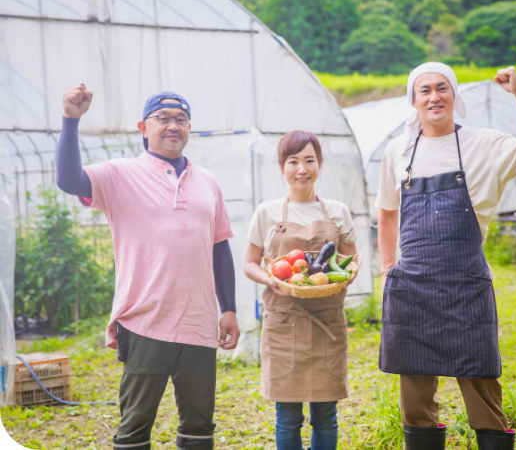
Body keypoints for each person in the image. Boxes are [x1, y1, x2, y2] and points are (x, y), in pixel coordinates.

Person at [376, 63, 516, 450]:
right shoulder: (398, 151)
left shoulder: (484, 144)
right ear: (413, 101)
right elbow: (387, 213)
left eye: (442, 88)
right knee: (415, 401)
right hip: (413, 291)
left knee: (483, 394)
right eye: (424, 90)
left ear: (454, 97)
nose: (434, 96)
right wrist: (388, 267)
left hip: (466, 289)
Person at [55, 83, 240, 450]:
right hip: (145, 320)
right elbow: (68, 180)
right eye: (163, 118)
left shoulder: (208, 182)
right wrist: (70, 121)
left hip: (198, 321)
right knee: (136, 424)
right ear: (144, 127)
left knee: (200, 424)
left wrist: (229, 309)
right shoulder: (119, 174)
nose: (173, 126)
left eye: (182, 120)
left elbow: (220, 247)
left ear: (189, 128)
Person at [243, 131, 357, 450]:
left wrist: (338, 282)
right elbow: (251, 263)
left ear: (319, 164)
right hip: (283, 324)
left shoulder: (338, 211)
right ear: (282, 167)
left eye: (309, 160)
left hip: (327, 322)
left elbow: (349, 263)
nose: (302, 169)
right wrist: (271, 281)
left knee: (326, 415)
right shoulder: (266, 212)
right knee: (287, 417)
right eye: (293, 161)